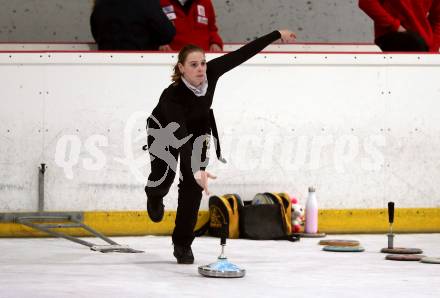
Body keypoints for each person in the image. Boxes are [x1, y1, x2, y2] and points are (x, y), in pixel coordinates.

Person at [144, 29, 296, 264]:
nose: (201, 69)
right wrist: (195, 168)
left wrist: (276, 34)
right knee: (164, 175)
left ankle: (182, 243)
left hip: (196, 133)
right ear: (181, 68)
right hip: (164, 132)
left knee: (193, 190)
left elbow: (242, 54)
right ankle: (154, 196)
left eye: (203, 63)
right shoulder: (172, 97)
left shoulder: (211, 73)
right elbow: (180, 137)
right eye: (193, 65)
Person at [90, 0, 175, 50]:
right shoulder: (146, 3)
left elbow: (95, 33)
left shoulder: (100, 4)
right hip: (139, 64)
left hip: (105, 65)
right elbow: (167, 34)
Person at [359, 0, 440, 52]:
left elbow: (437, 19)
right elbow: (366, 2)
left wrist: (433, 50)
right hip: (394, 36)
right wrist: (395, 26)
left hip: (423, 44)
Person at [158, 0, 223, 51]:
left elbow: (212, 29)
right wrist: (160, 43)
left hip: (202, 59)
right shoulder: (160, 2)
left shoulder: (205, 2)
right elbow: (151, 30)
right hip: (171, 59)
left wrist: (215, 43)